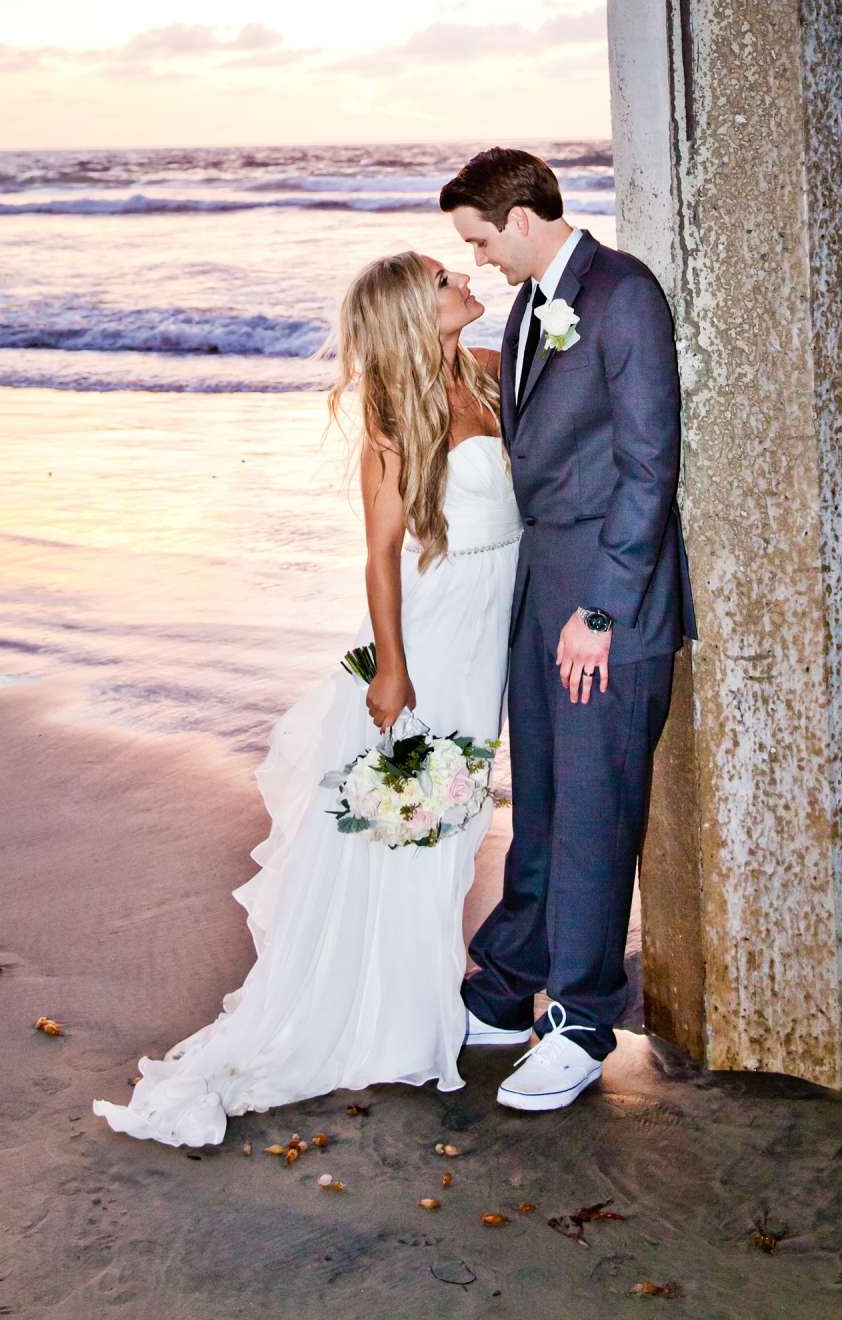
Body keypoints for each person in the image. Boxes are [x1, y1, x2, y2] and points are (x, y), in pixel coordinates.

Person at [91, 250, 521, 1148]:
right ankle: (393, 1013)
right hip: (439, 635)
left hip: (495, 624)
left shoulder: (488, 370)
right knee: (426, 819)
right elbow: (379, 557)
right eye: (446, 280)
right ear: (414, 310)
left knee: (457, 820)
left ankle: (418, 995)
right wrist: (393, 668)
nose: (463, 285)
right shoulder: (395, 418)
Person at [441, 146, 693, 1113]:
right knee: (541, 804)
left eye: (477, 239)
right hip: (546, 593)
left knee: (593, 813)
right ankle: (507, 989)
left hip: (605, 609)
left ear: (518, 219)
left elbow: (648, 466)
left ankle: (582, 1022)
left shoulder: (622, 294)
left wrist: (601, 608)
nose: (478, 258)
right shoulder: (530, 301)